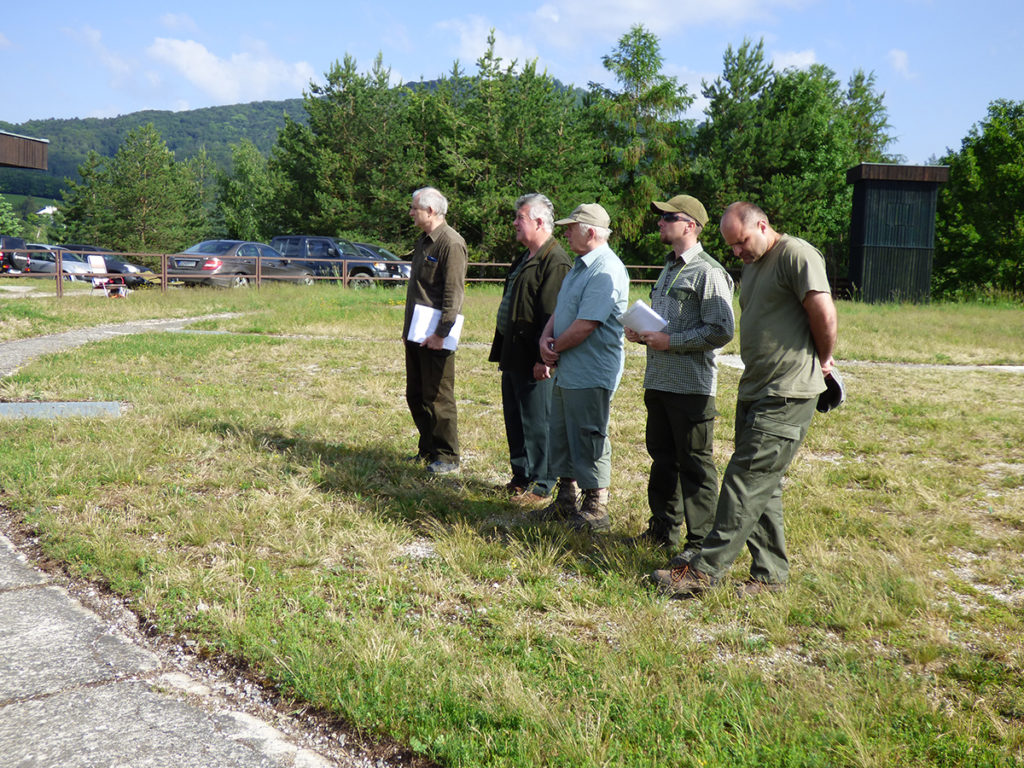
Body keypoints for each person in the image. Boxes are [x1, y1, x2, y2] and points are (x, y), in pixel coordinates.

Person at [651, 201, 837, 597]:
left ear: (763, 225)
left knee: (742, 481)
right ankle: (770, 577)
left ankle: (705, 572)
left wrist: (823, 360)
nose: (737, 253)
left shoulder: (796, 255)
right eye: (732, 246)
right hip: (756, 389)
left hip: (786, 392)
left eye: (741, 242)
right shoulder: (754, 265)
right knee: (763, 487)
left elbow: (823, 310)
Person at [625, 194, 734, 556]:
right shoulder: (668, 268)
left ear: (690, 225)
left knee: (695, 467)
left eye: (667, 217)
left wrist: (670, 342)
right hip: (658, 382)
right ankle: (662, 530)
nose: (659, 222)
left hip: (691, 389)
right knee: (662, 460)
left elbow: (721, 329)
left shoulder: (709, 272)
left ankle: (701, 544)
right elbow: (664, 326)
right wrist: (642, 333)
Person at [536, 203, 630, 532]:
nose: (564, 232)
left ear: (590, 232)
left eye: (570, 227)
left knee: (590, 435)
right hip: (569, 367)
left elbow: (587, 324)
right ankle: (564, 500)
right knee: (562, 433)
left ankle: (595, 508)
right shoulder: (580, 266)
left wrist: (553, 348)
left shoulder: (607, 269)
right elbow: (561, 310)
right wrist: (546, 340)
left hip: (591, 371)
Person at [489, 193, 573, 504]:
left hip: (534, 358)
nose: (514, 223)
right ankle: (521, 475)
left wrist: (543, 358)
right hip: (513, 353)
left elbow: (553, 316)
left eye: (519, 218)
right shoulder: (525, 257)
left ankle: (542, 483)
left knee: (538, 421)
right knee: (515, 416)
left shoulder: (556, 261)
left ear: (539, 222)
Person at [402, 187, 468, 475]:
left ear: (431, 211)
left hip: (436, 336)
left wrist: (442, 333)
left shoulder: (451, 244)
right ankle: (428, 449)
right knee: (416, 394)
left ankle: (447, 456)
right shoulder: (423, 241)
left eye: (414, 208)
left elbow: (453, 294)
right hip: (416, 333)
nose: (411, 212)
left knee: (438, 396)